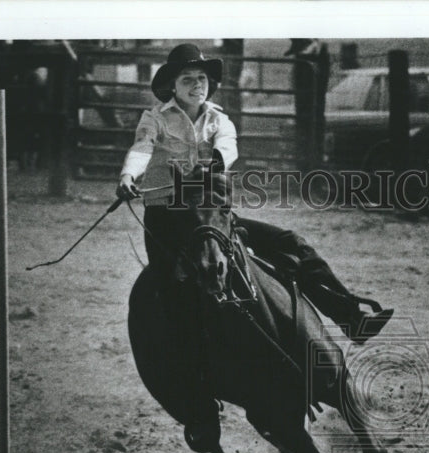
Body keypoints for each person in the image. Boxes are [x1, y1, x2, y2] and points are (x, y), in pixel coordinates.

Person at [117, 43, 393, 346]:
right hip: (166, 216)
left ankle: (352, 319)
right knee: (168, 284)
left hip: (210, 212)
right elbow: (142, 148)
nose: (197, 85)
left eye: (202, 79)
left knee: (291, 244)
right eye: (187, 79)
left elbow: (228, 146)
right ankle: (183, 365)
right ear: (172, 86)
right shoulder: (154, 118)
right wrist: (129, 175)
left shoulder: (219, 120)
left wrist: (216, 164)